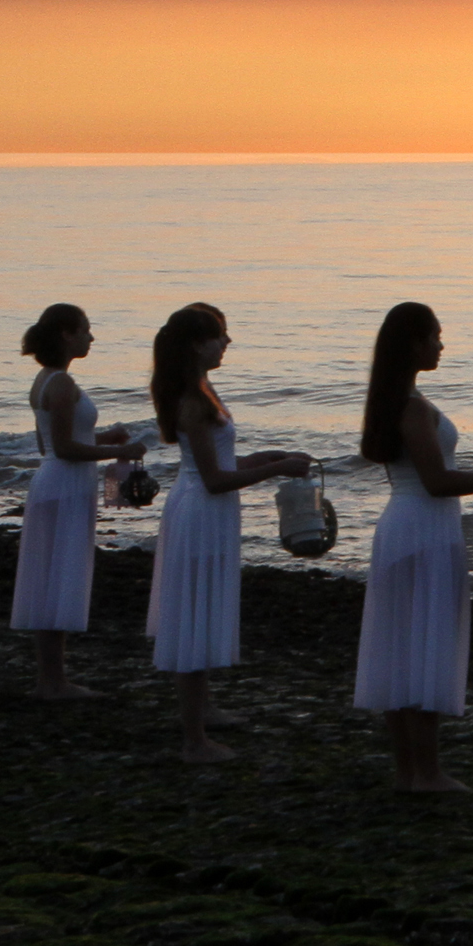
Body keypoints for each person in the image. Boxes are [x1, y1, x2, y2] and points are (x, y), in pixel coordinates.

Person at [353, 302, 473, 792]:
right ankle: (424, 771)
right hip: (423, 530)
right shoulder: (411, 407)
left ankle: (411, 770)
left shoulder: (397, 401)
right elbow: (436, 481)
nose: (441, 345)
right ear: (414, 343)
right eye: (435, 336)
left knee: (403, 644)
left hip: (408, 527)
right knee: (424, 642)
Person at [146, 303, 312, 763]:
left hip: (207, 506)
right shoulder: (193, 400)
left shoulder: (203, 388)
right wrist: (276, 468)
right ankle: (194, 739)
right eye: (221, 335)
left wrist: (266, 458)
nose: (227, 342)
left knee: (205, 603)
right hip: (200, 510)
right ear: (198, 344)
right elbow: (214, 479)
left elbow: (220, 465)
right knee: (193, 611)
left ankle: (204, 710)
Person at [10, 303, 146, 698]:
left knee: (50, 573)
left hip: (54, 482)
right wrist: (125, 449)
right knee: (61, 572)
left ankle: (50, 678)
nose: (91, 337)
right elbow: (66, 448)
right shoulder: (63, 384)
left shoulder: (44, 380)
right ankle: (54, 682)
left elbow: (50, 444)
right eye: (86, 330)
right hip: (65, 484)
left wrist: (104, 438)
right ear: (67, 334)